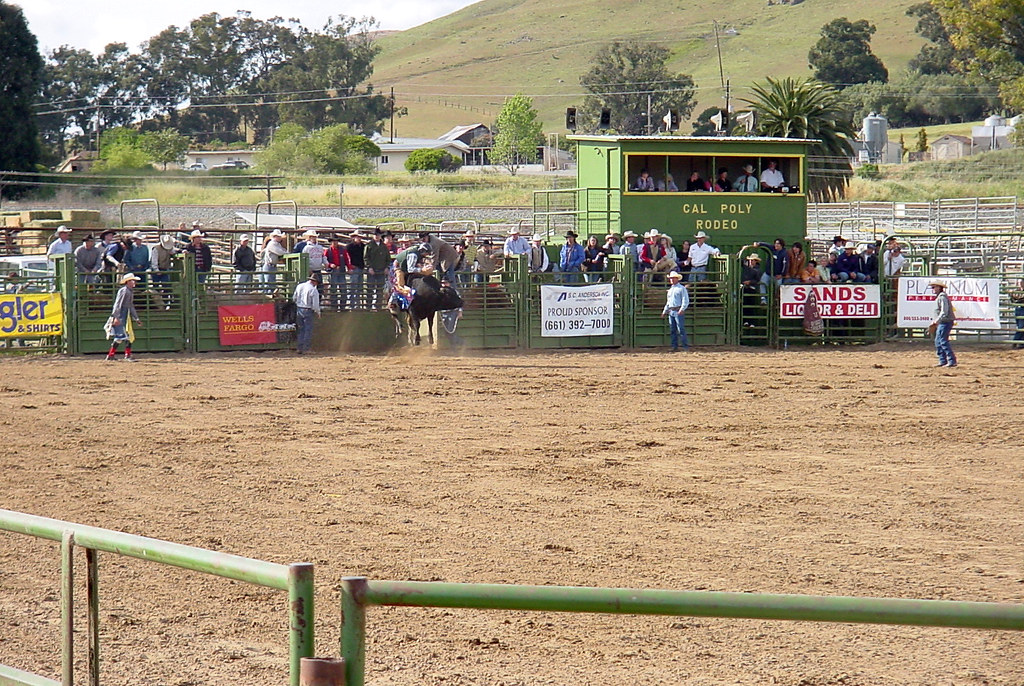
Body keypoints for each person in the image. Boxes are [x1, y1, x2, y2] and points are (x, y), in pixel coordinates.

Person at [104, 273, 143, 362]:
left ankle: (112, 355)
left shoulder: (128, 291)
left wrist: (136, 318)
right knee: (124, 336)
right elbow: (118, 304)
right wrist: (116, 317)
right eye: (132, 280)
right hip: (121, 314)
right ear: (127, 282)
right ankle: (126, 355)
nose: (134, 282)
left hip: (124, 314)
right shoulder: (124, 291)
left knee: (121, 336)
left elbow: (130, 306)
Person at [928, 279, 957, 367]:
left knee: (942, 341)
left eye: (935, 287)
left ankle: (951, 360)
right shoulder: (941, 297)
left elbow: (944, 311)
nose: (933, 289)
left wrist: (937, 320)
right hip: (943, 322)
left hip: (945, 322)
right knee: (938, 341)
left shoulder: (942, 297)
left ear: (939, 288)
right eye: (933, 287)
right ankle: (943, 360)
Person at [292, 272, 322, 355]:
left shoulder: (300, 286)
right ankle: (306, 348)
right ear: (315, 282)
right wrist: (318, 312)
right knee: (308, 330)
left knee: (301, 329)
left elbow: (294, 298)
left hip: (299, 309)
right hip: (307, 310)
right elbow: (315, 304)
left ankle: (299, 348)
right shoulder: (313, 290)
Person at [661, 271, 689, 351]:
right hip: (671, 311)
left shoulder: (681, 288)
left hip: (677, 310)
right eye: (671, 278)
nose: (672, 280)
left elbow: (685, 300)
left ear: (677, 279)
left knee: (680, 329)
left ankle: (684, 346)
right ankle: (675, 346)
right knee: (673, 330)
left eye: (673, 278)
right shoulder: (671, 290)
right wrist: (665, 311)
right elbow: (668, 302)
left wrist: (682, 309)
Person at [364, 230, 391, 309]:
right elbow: (366, 258)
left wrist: (386, 267)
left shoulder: (384, 246)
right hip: (372, 270)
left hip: (381, 270)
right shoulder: (368, 246)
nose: (377, 236)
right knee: (370, 289)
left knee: (380, 290)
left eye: (378, 235)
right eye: (375, 235)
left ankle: (378, 306)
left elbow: (388, 258)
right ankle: (368, 306)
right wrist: (369, 267)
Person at [150, 234, 177, 307]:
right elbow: (154, 261)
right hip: (157, 269)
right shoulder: (156, 248)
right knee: (156, 286)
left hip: (164, 269)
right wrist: (156, 270)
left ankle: (165, 303)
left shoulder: (169, 248)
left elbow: (174, 251)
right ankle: (156, 304)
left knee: (166, 286)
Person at [324, 235, 349, 310]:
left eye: (336, 241)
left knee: (343, 289)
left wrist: (349, 267)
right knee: (333, 289)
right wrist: (330, 265)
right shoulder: (328, 251)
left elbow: (347, 259)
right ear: (331, 242)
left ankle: (342, 306)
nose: (335, 242)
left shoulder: (342, 250)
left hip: (341, 271)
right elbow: (325, 261)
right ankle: (334, 306)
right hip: (333, 271)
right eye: (333, 241)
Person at [346, 231, 367, 308]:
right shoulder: (349, 247)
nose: (359, 238)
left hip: (360, 268)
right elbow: (347, 258)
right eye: (357, 237)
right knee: (353, 287)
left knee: (359, 287)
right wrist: (349, 266)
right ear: (354, 237)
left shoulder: (363, 246)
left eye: (360, 237)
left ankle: (357, 304)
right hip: (354, 268)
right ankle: (352, 304)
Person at [1010, 279, 1024, 349]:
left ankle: (1015, 342)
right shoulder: (1016, 291)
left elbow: (1018, 300)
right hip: (1018, 309)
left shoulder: (1017, 292)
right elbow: (1013, 301)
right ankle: (1021, 343)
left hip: (1022, 309)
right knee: (1020, 326)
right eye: (1019, 283)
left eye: (1021, 282)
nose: (1020, 284)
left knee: (1021, 327)